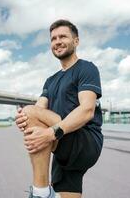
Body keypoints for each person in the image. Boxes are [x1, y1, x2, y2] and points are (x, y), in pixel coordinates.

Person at [15, 19, 103, 198]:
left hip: (83, 139)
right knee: (29, 112)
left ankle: (40, 193)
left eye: (63, 36)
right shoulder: (51, 80)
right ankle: (46, 193)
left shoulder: (86, 68)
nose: (57, 41)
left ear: (76, 41)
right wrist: (23, 118)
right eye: (53, 38)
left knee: (30, 111)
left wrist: (49, 134)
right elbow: (39, 108)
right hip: (62, 144)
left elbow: (87, 110)